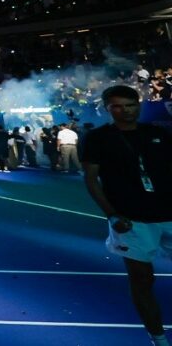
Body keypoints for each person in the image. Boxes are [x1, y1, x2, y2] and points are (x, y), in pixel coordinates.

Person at [82, 85, 172, 346]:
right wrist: (111, 215)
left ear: (139, 105)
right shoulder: (97, 138)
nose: (125, 111)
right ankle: (158, 338)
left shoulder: (157, 133)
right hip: (131, 218)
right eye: (117, 106)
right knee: (142, 278)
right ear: (108, 109)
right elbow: (91, 180)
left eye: (130, 105)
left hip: (168, 211)